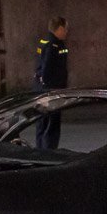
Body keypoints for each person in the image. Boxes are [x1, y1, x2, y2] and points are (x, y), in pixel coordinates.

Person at [33, 16, 69, 149]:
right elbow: (47, 68)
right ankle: (48, 154)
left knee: (41, 125)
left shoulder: (44, 41)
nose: (66, 32)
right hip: (50, 91)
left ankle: (40, 152)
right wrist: (51, 88)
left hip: (42, 90)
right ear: (59, 29)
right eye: (65, 29)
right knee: (51, 126)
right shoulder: (54, 45)